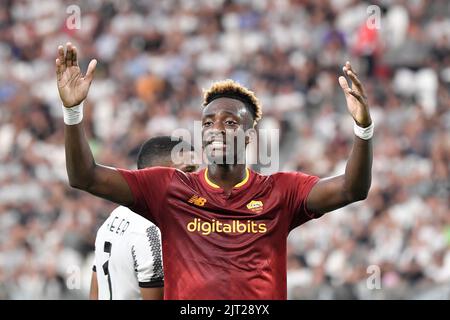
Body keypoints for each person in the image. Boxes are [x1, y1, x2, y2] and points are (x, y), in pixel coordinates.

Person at [56, 42, 373, 299]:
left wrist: (363, 129)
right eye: (208, 123)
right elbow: (84, 177)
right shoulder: (168, 188)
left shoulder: (281, 191)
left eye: (230, 123)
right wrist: (73, 112)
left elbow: (352, 189)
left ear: (248, 137)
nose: (216, 129)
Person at [89, 136, 198, 300]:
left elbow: (95, 293)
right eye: (188, 171)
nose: (198, 180)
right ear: (155, 174)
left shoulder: (114, 217)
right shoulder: (154, 228)